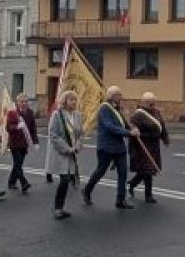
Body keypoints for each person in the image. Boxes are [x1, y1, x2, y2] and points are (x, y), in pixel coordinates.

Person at [84, 86, 136, 210]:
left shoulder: (117, 109)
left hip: (119, 147)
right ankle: (87, 190)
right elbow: (110, 126)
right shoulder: (104, 109)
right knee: (100, 171)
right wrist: (128, 133)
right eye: (119, 95)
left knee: (123, 173)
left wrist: (132, 129)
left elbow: (124, 124)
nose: (121, 97)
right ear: (112, 96)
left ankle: (120, 199)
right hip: (106, 146)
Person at [126, 92, 170, 204]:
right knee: (148, 170)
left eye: (154, 103)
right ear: (144, 103)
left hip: (154, 145)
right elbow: (132, 129)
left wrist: (165, 138)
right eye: (150, 104)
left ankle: (132, 183)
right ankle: (148, 195)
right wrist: (135, 131)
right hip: (143, 146)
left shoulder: (156, 112)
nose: (153, 106)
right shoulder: (138, 115)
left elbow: (161, 126)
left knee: (146, 170)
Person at [49, 91, 85, 219]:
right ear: (64, 101)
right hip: (62, 152)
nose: (73, 102)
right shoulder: (57, 115)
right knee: (64, 179)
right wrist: (67, 148)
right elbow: (53, 134)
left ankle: (61, 207)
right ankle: (58, 208)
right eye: (71, 100)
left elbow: (80, 133)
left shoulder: (78, 115)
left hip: (72, 152)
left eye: (75, 100)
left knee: (68, 179)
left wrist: (78, 145)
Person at [5, 93, 38, 194]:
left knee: (18, 164)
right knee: (18, 163)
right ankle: (24, 183)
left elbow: (33, 128)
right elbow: (8, 128)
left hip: (25, 143)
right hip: (15, 142)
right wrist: (16, 126)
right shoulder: (12, 113)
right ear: (17, 102)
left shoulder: (30, 112)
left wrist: (35, 141)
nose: (24, 103)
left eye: (25, 101)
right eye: (22, 101)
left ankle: (11, 182)